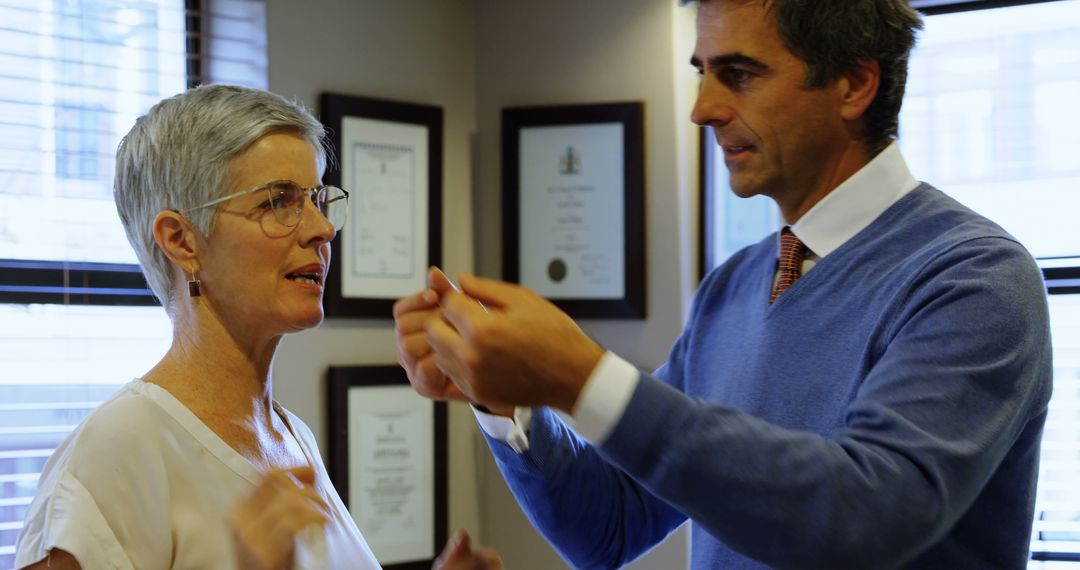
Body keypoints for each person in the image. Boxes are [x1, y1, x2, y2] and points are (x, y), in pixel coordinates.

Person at [394, 1, 1053, 568]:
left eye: (739, 74)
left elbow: (865, 520)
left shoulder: (972, 278)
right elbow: (608, 529)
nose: (704, 109)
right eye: (702, 74)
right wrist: (505, 399)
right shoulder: (733, 287)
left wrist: (585, 378)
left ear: (855, 84)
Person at [16, 85, 501, 570]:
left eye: (316, 199)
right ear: (181, 241)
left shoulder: (293, 438)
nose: (322, 229)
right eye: (278, 202)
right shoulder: (117, 450)